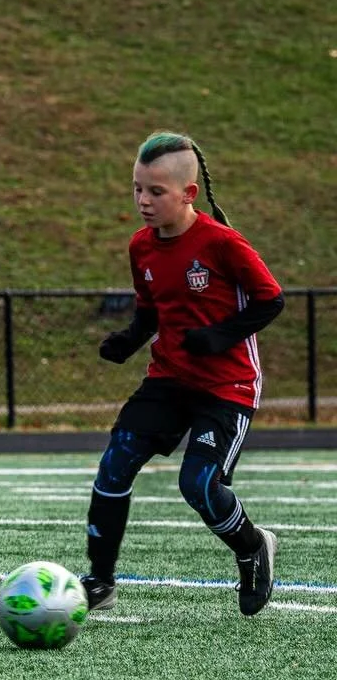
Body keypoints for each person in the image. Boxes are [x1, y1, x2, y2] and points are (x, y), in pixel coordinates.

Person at [82, 131, 283, 616]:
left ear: (188, 193)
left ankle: (253, 546)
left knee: (199, 484)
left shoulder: (222, 243)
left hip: (228, 385)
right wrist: (129, 340)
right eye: (137, 188)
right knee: (114, 465)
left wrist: (219, 336)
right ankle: (100, 581)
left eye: (156, 191)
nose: (143, 201)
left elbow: (270, 299)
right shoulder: (141, 247)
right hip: (169, 379)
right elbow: (151, 309)